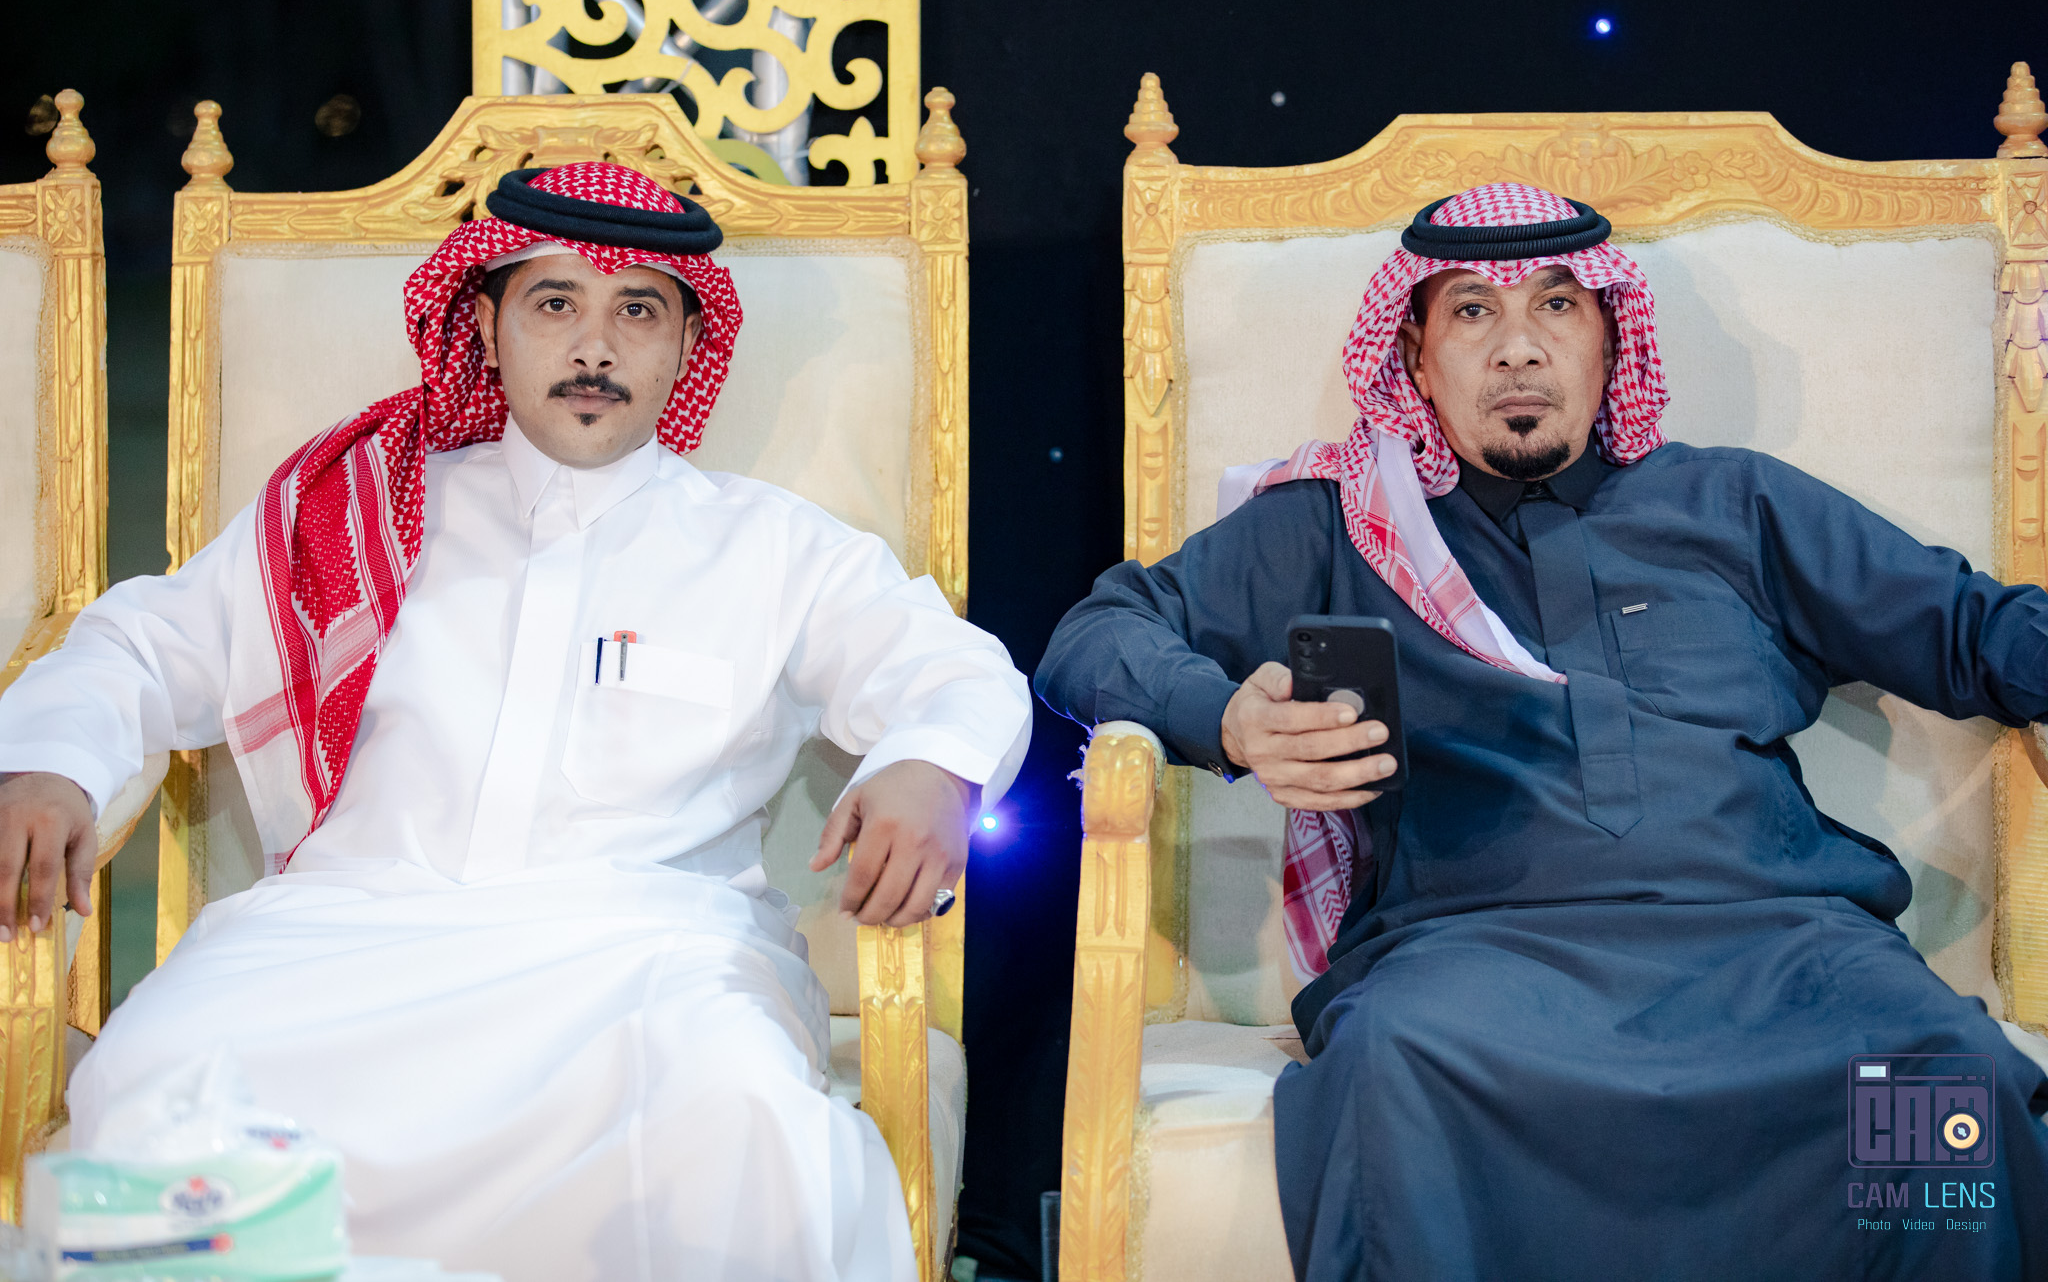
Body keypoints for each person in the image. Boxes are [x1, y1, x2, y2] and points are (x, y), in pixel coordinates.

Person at [0, 161, 1030, 1281]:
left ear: (688, 343)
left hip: (647, 960)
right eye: (554, 304)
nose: (595, 347)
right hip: (341, 947)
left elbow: (947, 669)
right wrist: (49, 763)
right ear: (487, 329)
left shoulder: (773, 548)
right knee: (160, 1078)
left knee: (737, 1118)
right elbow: (142, 644)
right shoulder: (359, 514)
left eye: (638, 311)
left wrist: (933, 765)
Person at [1035, 182, 2048, 1281]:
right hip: (1474, 973)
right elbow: (1094, 634)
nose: (1517, 347)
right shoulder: (1342, 526)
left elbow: (1977, 632)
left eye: (1556, 306)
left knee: (1949, 1076)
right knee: (1387, 1069)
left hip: (1784, 954)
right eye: (1472, 311)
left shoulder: (1734, 505)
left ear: (1610, 342)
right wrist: (1227, 717)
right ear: (1415, 357)